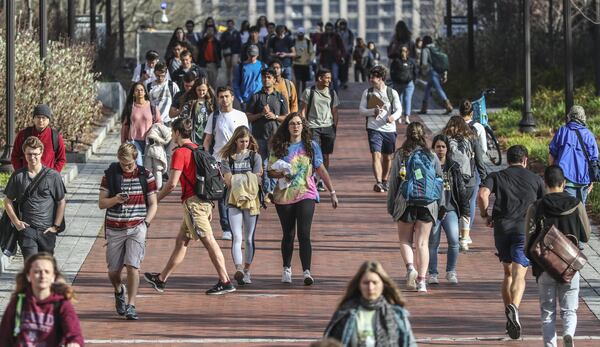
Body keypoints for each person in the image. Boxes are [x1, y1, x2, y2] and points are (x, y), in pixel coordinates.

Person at [143, 117, 235, 295]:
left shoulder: (180, 153)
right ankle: (161, 279)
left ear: (177, 132)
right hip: (203, 202)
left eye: (172, 132)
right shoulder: (197, 148)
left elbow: (171, 184)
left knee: (209, 241)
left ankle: (225, 281)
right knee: (181, 241)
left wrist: (155, 199)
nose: (171, 135)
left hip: (194, 204)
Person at [478, 145, 545, 340]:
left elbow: (482, 194)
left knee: (507, 273)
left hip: (502, 229)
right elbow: (544, 204)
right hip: (524, 230)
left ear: (508, 160)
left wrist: (485, 215)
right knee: (519, 275)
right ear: (525, 160)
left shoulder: (497, 176)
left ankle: (509, 319)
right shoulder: (536, 179)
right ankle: (514, 309)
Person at [525, 165, 591, 347]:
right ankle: (568, 334)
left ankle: (550, 345)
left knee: (547, 312)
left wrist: (531, 260)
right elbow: (586, 234)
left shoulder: (536, 206)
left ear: (545, 183)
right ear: (563, 183)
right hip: (569, 266)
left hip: (545, 266)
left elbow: (529, 238)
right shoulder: (576, 204)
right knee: (569, 309)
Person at [268, 113, 338, 285]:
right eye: (292, 124)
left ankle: (307, 271)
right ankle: (287, 268)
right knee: (288, 234)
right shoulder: (279, 146)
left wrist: (332, 192)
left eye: (299, 123)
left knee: (304, 233)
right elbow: (270, 171)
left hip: (306, 192)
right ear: (287, 127)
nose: (296, 126)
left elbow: (320, 169)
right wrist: (283, 173)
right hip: (284, 195)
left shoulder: (311, 146)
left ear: (303, 126)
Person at [98, 143, 158, 320]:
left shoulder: (145, 175)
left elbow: (153, 203)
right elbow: (101, 203)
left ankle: (131, 305)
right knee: (113, 272)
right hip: (115, 228)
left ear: (135, 160)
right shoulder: (110, 175)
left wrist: (146, 223)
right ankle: (119, 290)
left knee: (133, 266)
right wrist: (115, 199)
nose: (127, 168)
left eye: (130, 164)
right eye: (123, 164)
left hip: (137, 227)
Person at [387, 122, 443, 293]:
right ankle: (422, 281)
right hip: (428, 203)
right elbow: (439, 180)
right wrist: (439, 205)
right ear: (423, 135)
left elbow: (394, 182)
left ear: (407, 135)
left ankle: (411, 268)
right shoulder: (432, 155)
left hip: (406, 201)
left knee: (405, 240)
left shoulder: (401, 155)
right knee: (423, 243)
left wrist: (391, 205)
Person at [323, 260, 417, 346]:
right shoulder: (345, 313)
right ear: (359, 285)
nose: (370, 287)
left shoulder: (397, 314)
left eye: (375, 282)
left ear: (383, 285)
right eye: (366, 283)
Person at [0, 253, 84, 346]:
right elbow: (4, 337)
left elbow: (74, 334)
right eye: (37, 272)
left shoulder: (61, 304)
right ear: (28, 275)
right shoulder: (18, 302)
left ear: (53, 277)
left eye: (47, 272)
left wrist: (74, 343)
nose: (42, 276)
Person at [3, 136, 67, 260]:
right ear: (24, 154)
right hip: (27, 231)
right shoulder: (18, 176)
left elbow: (61, 202)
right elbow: (7, 200)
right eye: (29, 154)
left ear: (41, 153)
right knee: (31, 266)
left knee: (45, 267)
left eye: (35, 154)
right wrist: (17, 223)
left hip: (47, 231)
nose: (32, 157)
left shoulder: (53, 176)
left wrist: (55, 226)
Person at [204, 86, 250, 241]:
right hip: (219, 160)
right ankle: (226, 228)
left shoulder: (241, 115)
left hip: (238, 160)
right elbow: (208, 139)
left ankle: (237, 225)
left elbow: (247, 138)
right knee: (223, 195)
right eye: (221, 97)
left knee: (239, 194)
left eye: (226, 96)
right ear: (217, 99)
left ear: (232, 98)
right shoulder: (214, 116)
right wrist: (206, 158)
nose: (224, 100)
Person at [219, 126, 263, 286]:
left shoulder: (255, 157)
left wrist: (239, 180)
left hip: (251, 201)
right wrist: (248, 178)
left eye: (247, 141)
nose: (244, 144)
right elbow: (228, 180)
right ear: (235, 141)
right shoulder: (227, 158)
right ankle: (238, 268)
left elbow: (257, 180)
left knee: (249, 238)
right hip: (233, 201)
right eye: (241, 141)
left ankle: (247, 270)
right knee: (237, 237)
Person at [440, 115, 487, 251]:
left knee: (452, 208)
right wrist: (484, 179)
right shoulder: (472, 139)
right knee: (465, 208)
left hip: (450, 179)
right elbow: (479, 161)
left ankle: (454, 238)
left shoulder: (444, 139)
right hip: (469, 180)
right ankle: (464, 240)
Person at [428, 134, 469, 285]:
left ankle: (451, 271)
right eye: (437, 146)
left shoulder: (453, 166)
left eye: (443, 146)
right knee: (433, 243)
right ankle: (433, 273)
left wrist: (465, 210)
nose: (440, 149)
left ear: (447, 149)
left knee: (454, 241)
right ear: (433, 148)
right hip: (433, 209)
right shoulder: (429, 165)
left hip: (450, 208)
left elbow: (461, 189)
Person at [246, 68, 289, 198]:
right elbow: (248, 116)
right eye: (264, 77)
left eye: (269, 77)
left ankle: (272, 189)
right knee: (263, 165)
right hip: (259, 136)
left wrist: (274, 116)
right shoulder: (256, 96)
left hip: (276, 137)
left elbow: (286, 117)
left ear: (274, 80)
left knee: (275, 164)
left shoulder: (280, 96)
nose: (266, 79)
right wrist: (261, 114)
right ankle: (267, 191)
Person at [358, 65, 402, 193]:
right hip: (374, 128)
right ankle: (378, 182)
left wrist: (393, 117)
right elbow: (361, 111)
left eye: (374, 77)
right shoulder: (368, 93)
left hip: (389, 129)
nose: (371, 79)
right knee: (375, 155)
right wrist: (373, 111)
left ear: (381, 78)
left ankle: (384, 181)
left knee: (388, 157)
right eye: (370, 76)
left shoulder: (392, 93)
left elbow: (399, 109)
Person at [300, 69, 340, 191]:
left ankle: (322, 180)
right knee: (313, 154)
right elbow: (303, 110)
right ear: (319, 78)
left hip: (328, 127)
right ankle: (312, 179)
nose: (329, 80)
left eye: (330, 78)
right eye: (327, 78)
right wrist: (304, 126)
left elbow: (335, 112)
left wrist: (334, 127)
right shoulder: (309, 92)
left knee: (326, 155)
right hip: (313, 127)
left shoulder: (332, 93)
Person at [549, 105, 598, 204]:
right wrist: (591, 181)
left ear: (570, 116)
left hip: (565, 179)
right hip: (584, 180)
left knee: (566, 210)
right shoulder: (589, 135)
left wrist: (553, 174)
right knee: (580, 211)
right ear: (583, 117)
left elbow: (552, 154)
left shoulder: (562, 131)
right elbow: (594, 159)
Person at [11, 104, 66, 172]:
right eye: (38, 117)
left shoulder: (56, 137)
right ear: (33, 119)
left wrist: (53, 174)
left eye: (44, 118)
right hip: (27, 176)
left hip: (47, 178)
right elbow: (15, 156)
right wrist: (21, 173)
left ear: (48, 120)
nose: (41, 120)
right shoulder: (23, 135)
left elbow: (61, 159)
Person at [120, 82, 162, 165]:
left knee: (148, 167)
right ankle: (141, 177)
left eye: (142, 90)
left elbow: (159, 122)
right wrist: (123, 143)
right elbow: (125, 126)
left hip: (149, 141)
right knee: (139, 164)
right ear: (133, 94)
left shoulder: (152, 107)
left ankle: (144, 178)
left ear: (145, 92)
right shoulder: (130, 107)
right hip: (133, 141)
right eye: (137, 90)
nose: (140, 92)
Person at [419, 36, 452, 114]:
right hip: (439, 71)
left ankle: (448, 105)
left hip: (431, 72)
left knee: (438, 88)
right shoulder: (437, 48)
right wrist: (445, 74)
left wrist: (422, 72)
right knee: (427, 88)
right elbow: (443, 61)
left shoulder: (425, 50)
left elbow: (424, 63)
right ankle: (424, 108)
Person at [180, 77, 216, 146]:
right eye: (199, 90)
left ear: (207, 89)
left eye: (203, 90)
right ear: (195, 89)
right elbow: (183, 120)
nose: (201, 92)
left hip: (208, 140)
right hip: (194, 140)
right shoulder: (190, 104)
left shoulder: (211, 103)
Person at [390, 45, 418, 124]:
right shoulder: (396, 61)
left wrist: (413, 80)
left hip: (409, 84)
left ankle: (406, 117)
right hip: (398, 83)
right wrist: (394, 80)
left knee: (407, 99)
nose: (403, 53)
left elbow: (415, 71)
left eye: (405, 51)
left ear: (407, 52)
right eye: (402, 51)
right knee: (399, 100)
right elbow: (392, 72)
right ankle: (398, 116)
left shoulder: (411, 61)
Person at [233, 44, 264, 110]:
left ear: (257, 55)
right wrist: (240, 100)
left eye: (254, 55)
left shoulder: (263, 66)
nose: (252, 57)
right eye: (250, 55)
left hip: (259, 99)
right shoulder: (240, 67)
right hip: (245, 100)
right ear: (247, 54)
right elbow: (235, 84)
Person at [317, 22, 346, 91]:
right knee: (326, 78)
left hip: (334, 60)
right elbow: (318, 48)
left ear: (332, 29)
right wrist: (324, 47)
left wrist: (342, 56)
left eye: (330, 29)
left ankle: (335, 95)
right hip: (325, 60)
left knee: (335, 78)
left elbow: (342, 47)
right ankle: (327, 94)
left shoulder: (336, 36)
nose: (328, 31)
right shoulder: (322, 36)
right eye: (327, 29)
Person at [221, 19, 242, 86]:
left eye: (231, 24)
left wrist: (239, 53)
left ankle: (234, 78)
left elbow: (239, 43)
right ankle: (228, 80)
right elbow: (222, 43)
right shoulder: (224, 33)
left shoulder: (237, 33)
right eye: (228, 24)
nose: (230, 25)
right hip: (227, 51)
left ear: (233, 24)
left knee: (234, 64)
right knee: (228, 66)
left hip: (235, 51)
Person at [292, 27, 313, 93]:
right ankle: (297, 97)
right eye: (299, 34)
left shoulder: (308, 41)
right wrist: (294, 57)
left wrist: (310, 60)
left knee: (304, 82)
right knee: (297, 81)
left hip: (305, 64)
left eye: (302, 34)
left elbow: (312, 52)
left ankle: (303, 96)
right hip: (296, 64)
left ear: (304, 34)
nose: (300, 36)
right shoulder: (294, 41)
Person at [335, 19, 354, 90]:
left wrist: (347, 50)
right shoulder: (336, 32)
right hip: (338, 54)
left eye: (344, 24)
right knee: (339, 68)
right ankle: (340, 81)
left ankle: (345, 82)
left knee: (345, 68)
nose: (342, 26)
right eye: (341, 24)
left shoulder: (349, 32)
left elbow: (351, 43)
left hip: (346, 54)